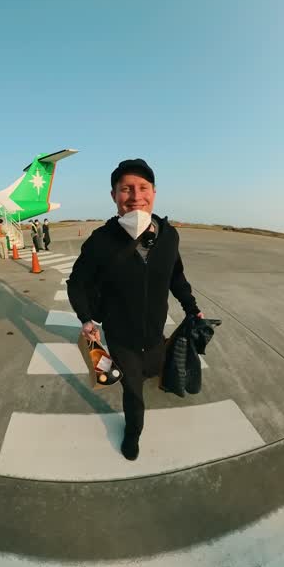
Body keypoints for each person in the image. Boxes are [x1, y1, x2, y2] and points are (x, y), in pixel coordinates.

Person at [67, 158, 203, 461]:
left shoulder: (169, 236)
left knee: (153, 370)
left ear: (154, 192)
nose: (135, 196)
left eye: (143, 188)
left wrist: (192, 308)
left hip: (156, 332)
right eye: (126, 189)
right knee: (133, 390)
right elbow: (76, 283)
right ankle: (133, 432)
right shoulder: (101, 241)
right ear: (114, 196)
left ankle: (148, 374)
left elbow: (176, 276)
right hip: (121, 335)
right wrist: (85, 318)